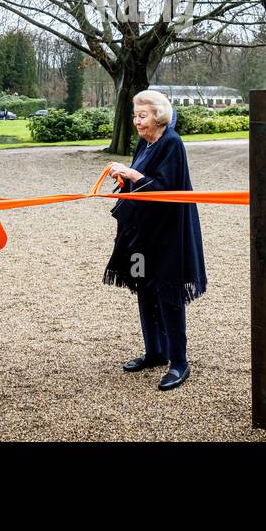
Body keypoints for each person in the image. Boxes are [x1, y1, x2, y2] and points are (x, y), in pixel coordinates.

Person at [103, 89, 207, 391]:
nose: (137, 121)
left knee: (168, 293)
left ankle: (179, 361)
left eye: (142, 115)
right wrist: (125, 178)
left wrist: (132, 175)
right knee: (145, 288)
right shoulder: (144, 142)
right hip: (142, 232)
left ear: (158, 116)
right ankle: (155, 351)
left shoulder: (171, 143)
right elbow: (140, 181)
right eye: (135, 115)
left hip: (168, 233)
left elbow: (166, 189)